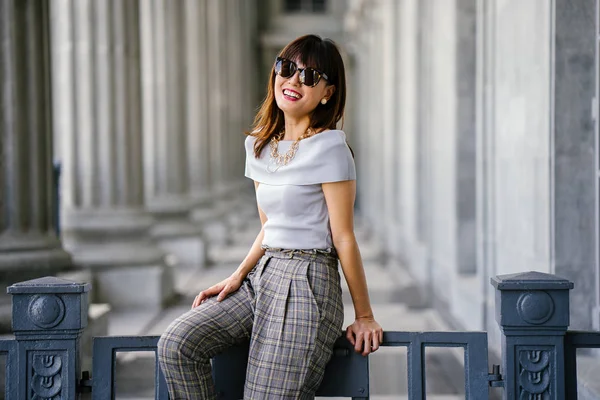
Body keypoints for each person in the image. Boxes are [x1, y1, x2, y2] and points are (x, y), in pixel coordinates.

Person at [157, 34, 383, 399]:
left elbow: (343, 237)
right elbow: (269, 227)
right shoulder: (259, 146)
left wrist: (365, 313)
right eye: (287, 67)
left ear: (327, 92)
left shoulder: (330, 148)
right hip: (263, 277)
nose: (294, 80)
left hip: (308, 281)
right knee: (177, 345)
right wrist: (238, 273)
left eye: (310, 76)